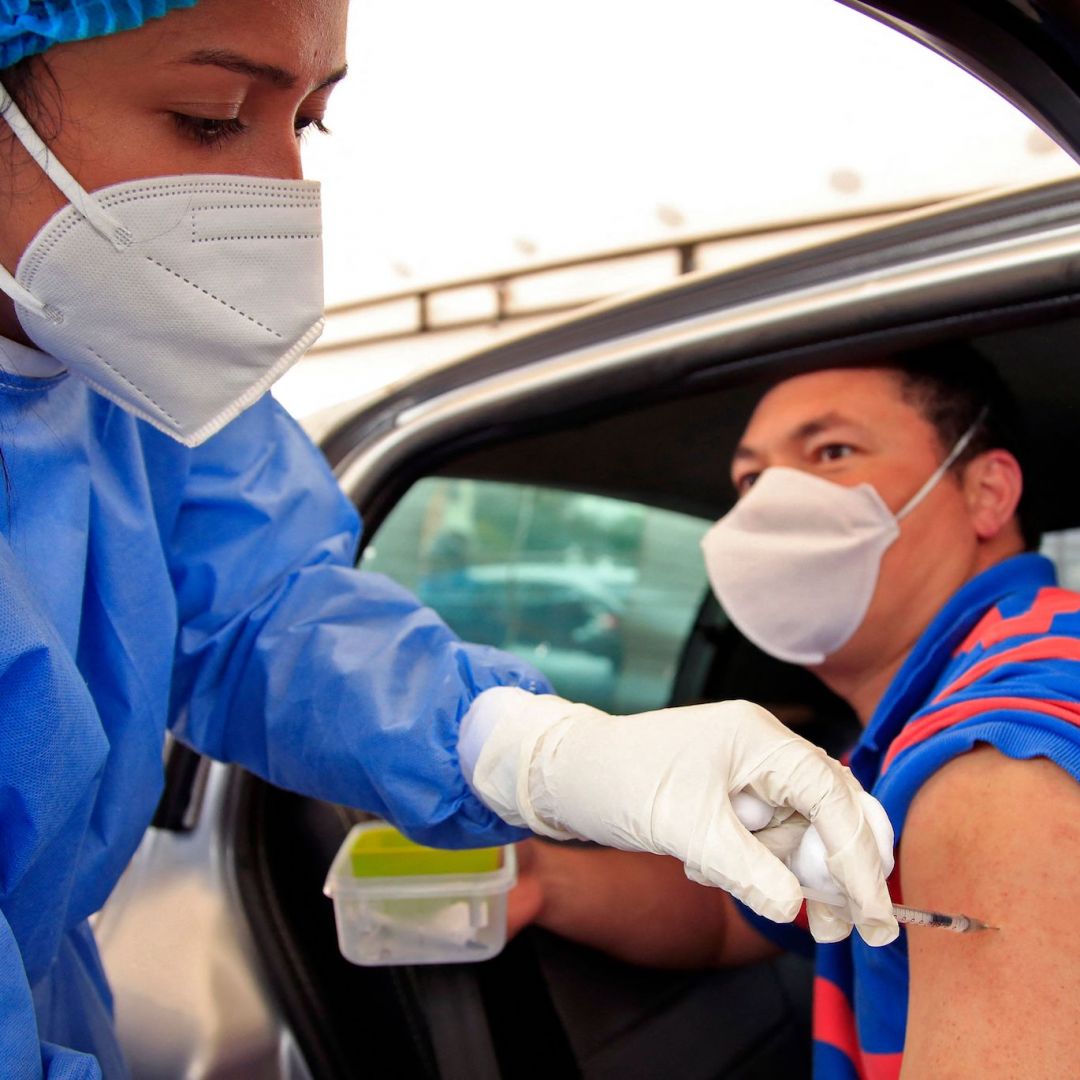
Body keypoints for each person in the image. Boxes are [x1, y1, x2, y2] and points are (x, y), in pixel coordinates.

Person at [0, 3, 897, 1076]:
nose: (281, 189)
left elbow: (257, 616)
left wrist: (535, 748)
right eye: (209, 116)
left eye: (312, 122)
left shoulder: (127, 398)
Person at [509, 350, 1080, 1077]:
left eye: (832, 452)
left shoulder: (1004, 750)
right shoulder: (910, 727)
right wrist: (542, 878)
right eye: (751, 479)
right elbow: (734, 915)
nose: (771, 503)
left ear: (987, 492)